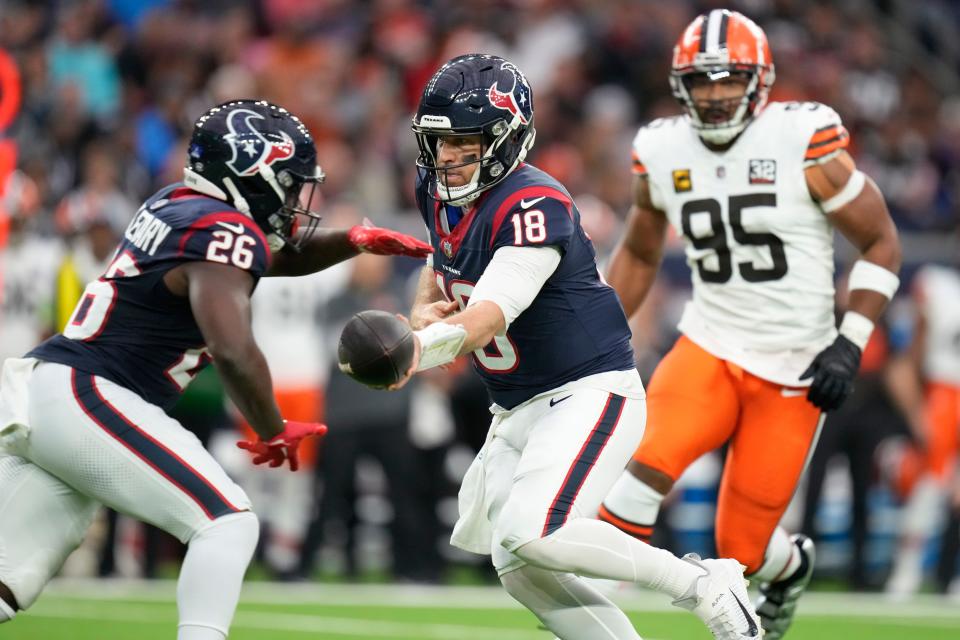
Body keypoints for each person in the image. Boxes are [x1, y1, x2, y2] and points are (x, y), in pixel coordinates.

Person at [0, 99, 431, 639]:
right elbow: (233, 348)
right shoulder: (221, 233)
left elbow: (267, 258)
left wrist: (351, 241)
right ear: (252, 175)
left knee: (5, 582)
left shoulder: (177, 204)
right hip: (91, 395)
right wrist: (273, 428)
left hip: (51, 392)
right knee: (226, 521)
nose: (296, 197)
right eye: (289, 181)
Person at [383, 53, 761, 640]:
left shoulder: (534, 204)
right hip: (517, 402)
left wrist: (412, 348)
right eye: (439, 142)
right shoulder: (439, 189)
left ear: (507, 139)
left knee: (536, 531)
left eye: (465, 141)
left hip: (587, 390)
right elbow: (443, 255)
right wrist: (418, 308)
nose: (449, 157)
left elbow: (485, 319)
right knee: (518, 563)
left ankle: (705, 584)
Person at [597, 10, 902, 640]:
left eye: (727, 80)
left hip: (795, 365)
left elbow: (880, 243)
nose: (712, 96)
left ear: (758, 81)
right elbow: (640, 252)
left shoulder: (802, 139)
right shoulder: (660, 148)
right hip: (708, 342)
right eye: (700, 83)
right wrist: (591, 333)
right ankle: (588, 618)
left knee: (745, 548)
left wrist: (850, 342)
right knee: (641, 470)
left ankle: (788, 571)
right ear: (680, 86)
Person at [884, 263, 960, 597]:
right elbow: (910, 354)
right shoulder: (937, 282)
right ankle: (907, 569)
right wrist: (917, 410)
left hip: (946, 394)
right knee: (928, 487)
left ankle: (945, 574)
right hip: (943, 394)